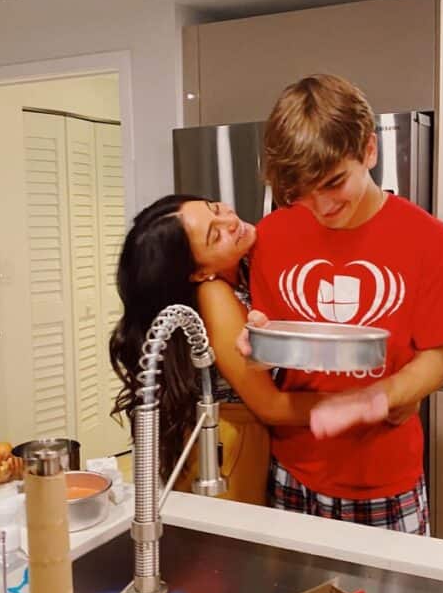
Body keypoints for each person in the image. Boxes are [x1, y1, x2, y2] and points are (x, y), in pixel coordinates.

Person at [244, 73, 443, 532]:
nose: (321, 205)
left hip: (385, 478)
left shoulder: (428, 238)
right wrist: (258, 349)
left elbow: (436, 361)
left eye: (333, 182)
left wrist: (375, 398)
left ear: (368, 150)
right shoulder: (270, 236)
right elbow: (275, 358)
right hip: (293, 470)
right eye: (303, 193)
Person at [110, 194, 382, 503]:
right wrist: (366, 404)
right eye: (215, 234)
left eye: (214, 206)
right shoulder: (215, 296)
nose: (230, 220)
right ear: (199, 272)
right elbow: (269, 404)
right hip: (233, 446)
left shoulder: (242, 270)